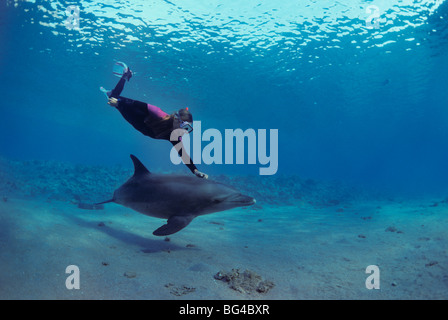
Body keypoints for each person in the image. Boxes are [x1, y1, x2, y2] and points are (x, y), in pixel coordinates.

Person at [102, 62, 208, 179]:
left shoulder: (174, 137)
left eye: (188, 129)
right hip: (136, 115)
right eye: (184, 127)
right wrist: (120, 104)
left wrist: (195, 171)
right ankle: (125, 75)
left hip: (139, 126)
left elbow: (183, 154)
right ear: (176, 119)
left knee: (113, 96)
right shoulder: (158, 113)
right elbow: (135, 105)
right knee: (114, 98)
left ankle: (124, 80)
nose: (184, 131)